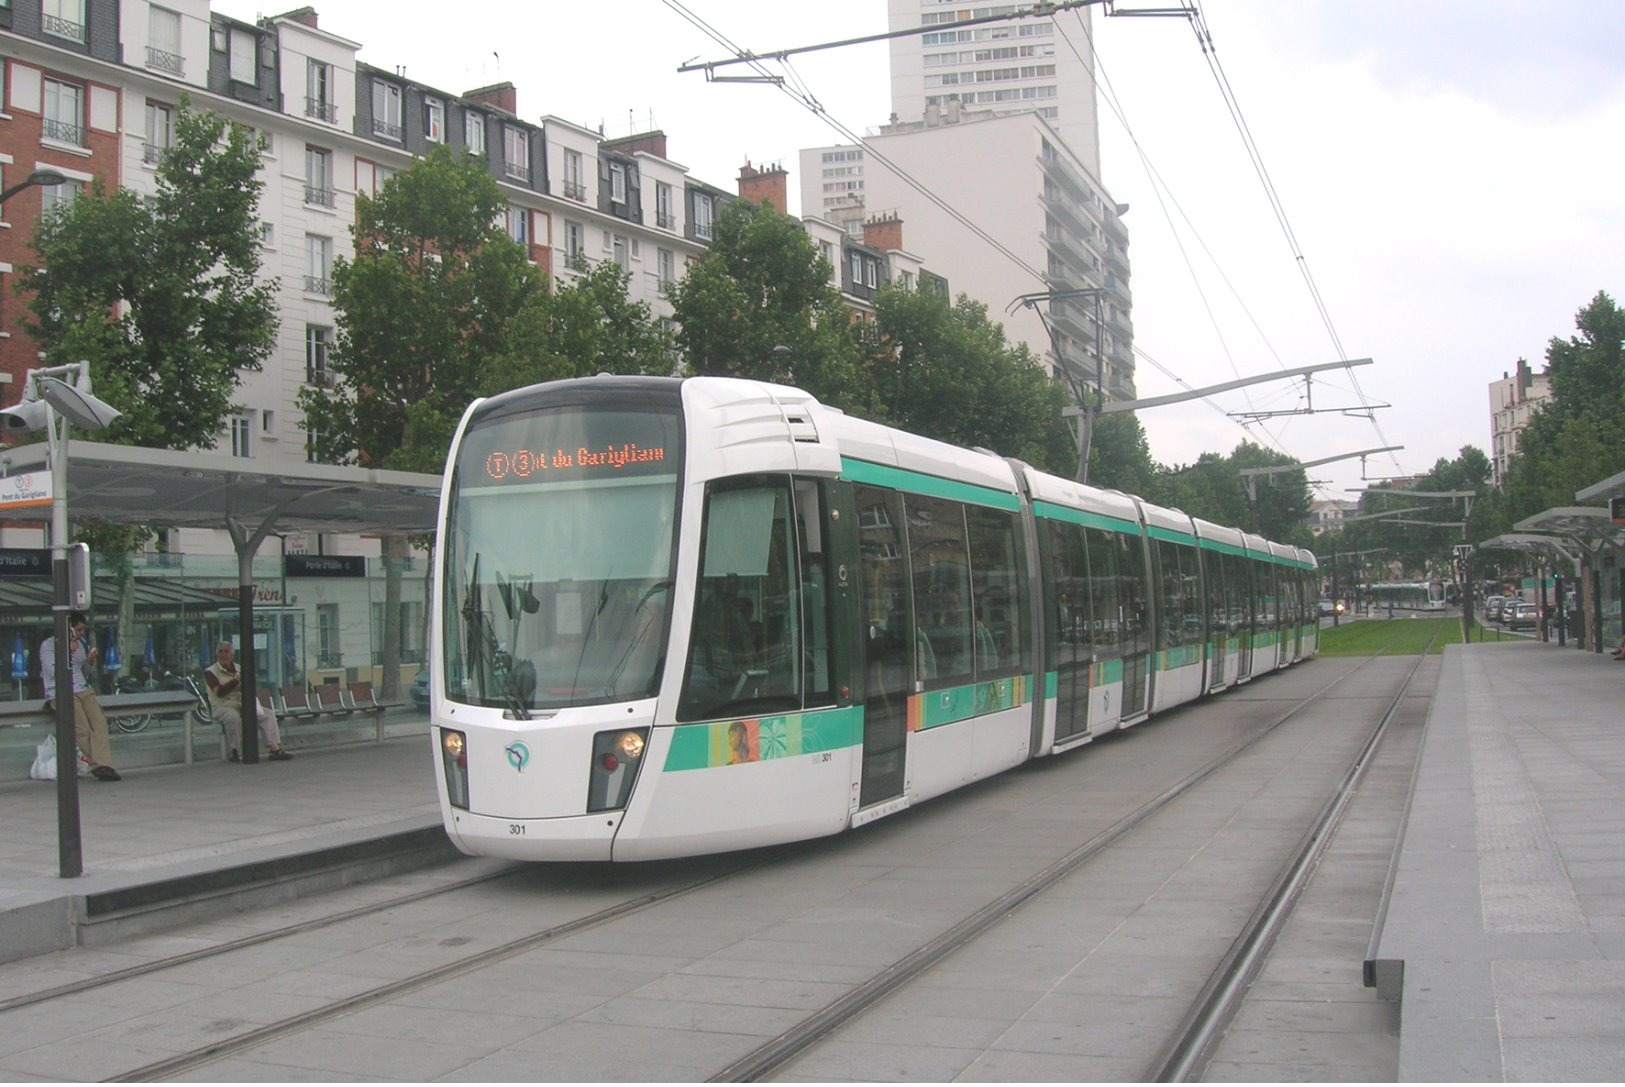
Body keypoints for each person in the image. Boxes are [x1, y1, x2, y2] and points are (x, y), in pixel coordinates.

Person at [40, 612, 120, 781]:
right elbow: (54, 672)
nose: (82, 633)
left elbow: (84, 671)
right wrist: (66, 651)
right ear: (68, 628)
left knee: (99, 724)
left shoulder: (80, 644)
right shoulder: (48, 646)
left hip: (83, 688)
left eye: (83, 629)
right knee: (81, 728)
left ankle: (103, 763)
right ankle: (98, 764)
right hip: (62, 691)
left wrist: (89, 661)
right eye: (79, 629)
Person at [204, 642, 292, 762]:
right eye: (220, 652)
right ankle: (234, 750)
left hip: (242, 704)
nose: (223, 655)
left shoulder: (240, 669)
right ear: (216, 655)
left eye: (226, 652)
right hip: (222, 705)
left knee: (268, 714)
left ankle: (274, 749)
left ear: (232, 654)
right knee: (232, 717)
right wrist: (235, 681)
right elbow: (219, 692)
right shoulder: (210, 672)